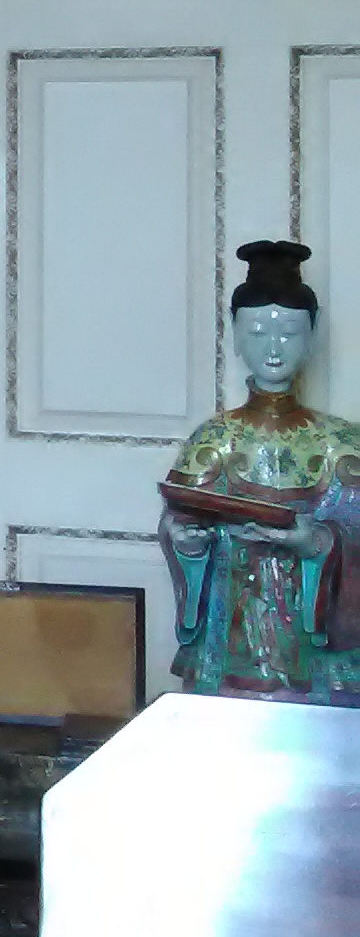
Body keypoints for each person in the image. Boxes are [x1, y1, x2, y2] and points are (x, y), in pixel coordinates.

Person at [159, 240, 360, 701]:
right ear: (233, 334)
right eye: (255, 332)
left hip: (317, 654)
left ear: (313, 333)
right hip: (231, 638)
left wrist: (317, 542)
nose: (273, 348)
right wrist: (188, 544)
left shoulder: (342, 445)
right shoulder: (214, 440)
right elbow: (180, 524)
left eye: (289, 332)